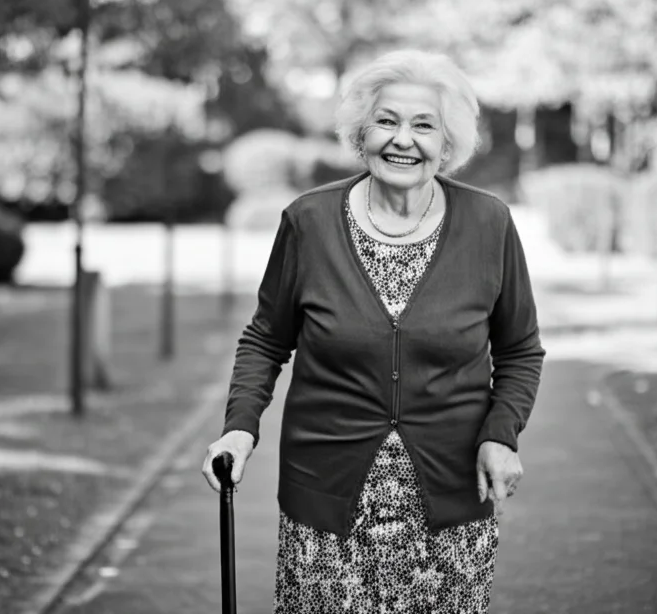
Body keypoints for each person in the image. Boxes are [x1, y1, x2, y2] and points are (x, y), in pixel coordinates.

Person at [202, 49, 546, 613]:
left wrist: (501, 433)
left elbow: (520, 349)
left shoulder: (488, 223)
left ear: (448, 142)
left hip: (450, 500)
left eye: (423, 125)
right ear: (361, 135)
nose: (402, 140)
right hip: (327, 502)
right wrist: (240, 429)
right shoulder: (308, 221)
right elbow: (266, 338)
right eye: (386, 121)